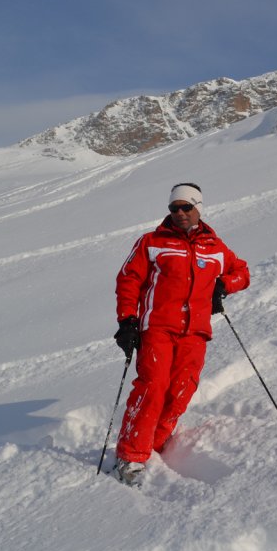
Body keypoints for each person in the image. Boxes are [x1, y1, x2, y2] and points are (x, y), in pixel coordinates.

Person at [111, 182, 250, 486]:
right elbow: (128, 281)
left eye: (186, 207)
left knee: (181, 392)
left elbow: (242, 272)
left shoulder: (215, 247)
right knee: (153, 386)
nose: (179, 213)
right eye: (174, 208)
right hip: (157, 328)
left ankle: (154, 444)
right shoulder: (151, 242)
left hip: (195, 332)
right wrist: (127, 321)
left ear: (198, 207)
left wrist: (223, 286)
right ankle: (131, 456)